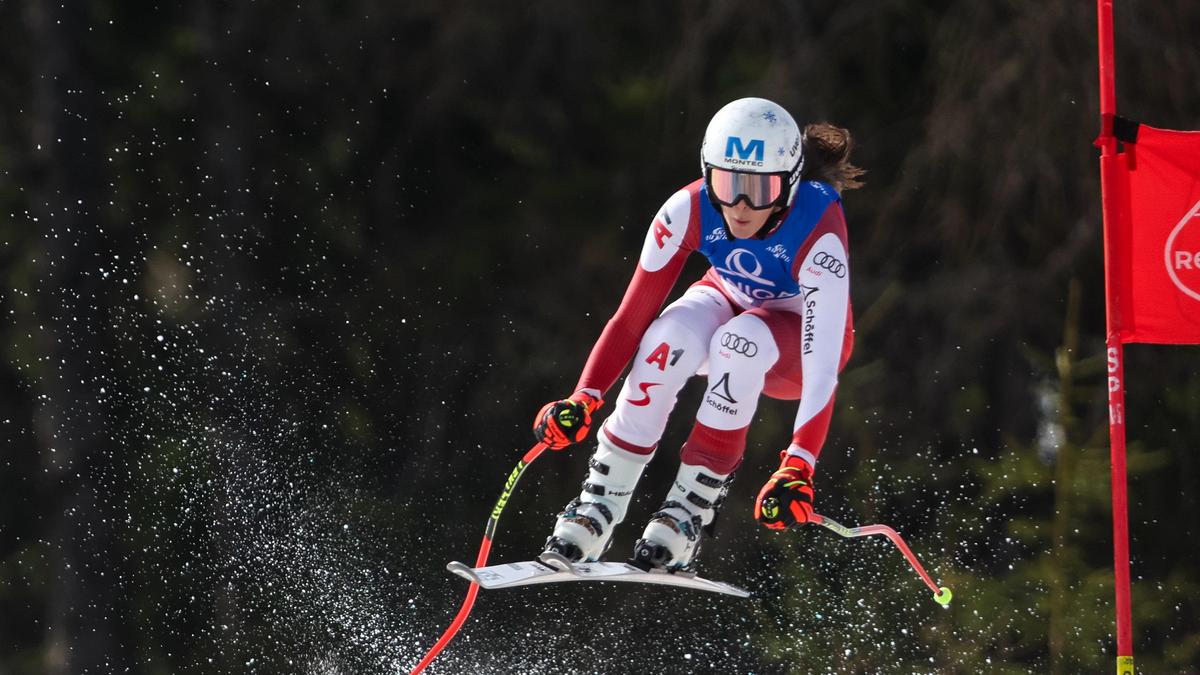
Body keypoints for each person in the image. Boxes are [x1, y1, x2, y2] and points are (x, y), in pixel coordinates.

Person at [532, 97, 864, 571]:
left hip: (794, 345)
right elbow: (630, 319)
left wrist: (799, 463)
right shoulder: (687, 209)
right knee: (670, 335)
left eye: (760, 189)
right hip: (729, 298)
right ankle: (597, 506)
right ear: (708, 174)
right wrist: (583, 397)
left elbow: (822, 366)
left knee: (741, 343)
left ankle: (688, 513)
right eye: (728, 185)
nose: (741, 206)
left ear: (789, 184)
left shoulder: (818, 227)